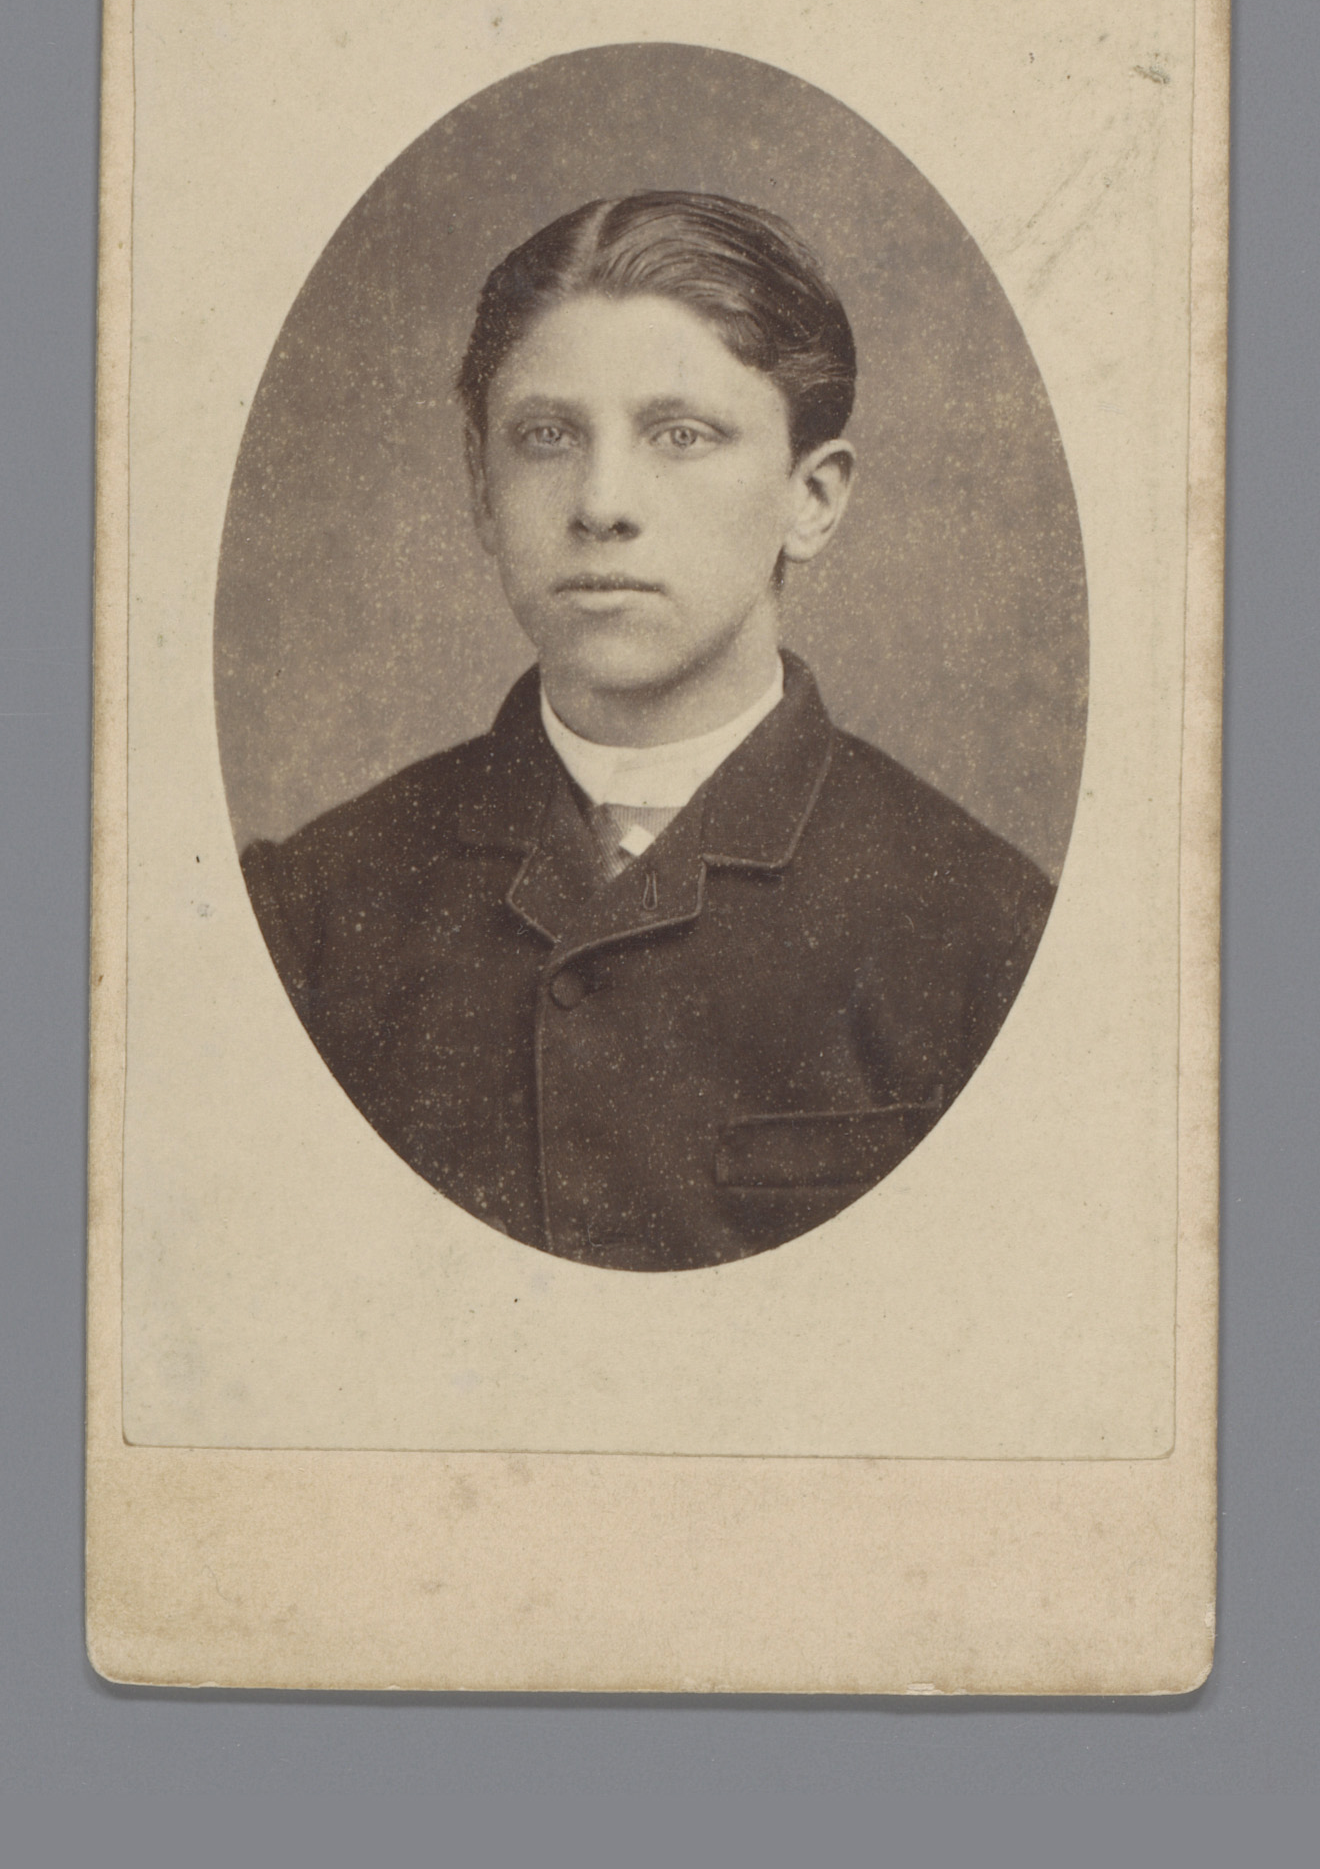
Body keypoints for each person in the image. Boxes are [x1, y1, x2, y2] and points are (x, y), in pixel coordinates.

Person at [241, 191, 1054, 1272]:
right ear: (481, 490)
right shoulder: (308, 912)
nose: (601, 503)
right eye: (546, 436)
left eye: (681, 435)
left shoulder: (990, 933)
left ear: (811, 497)